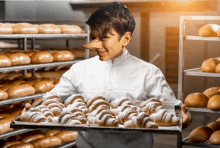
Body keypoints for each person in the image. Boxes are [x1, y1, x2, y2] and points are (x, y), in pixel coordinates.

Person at [41, 2, 192, 148]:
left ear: (125, 38)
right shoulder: (79, 69)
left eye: (105, 37)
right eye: (94, 37)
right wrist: (33, 107)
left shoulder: (148, 72)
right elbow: (51, 99)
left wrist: (185, 117)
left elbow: (173, 109)